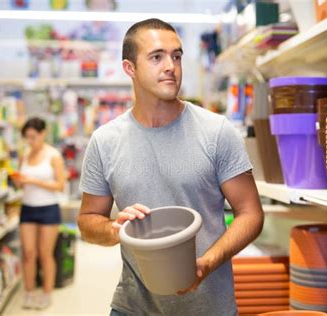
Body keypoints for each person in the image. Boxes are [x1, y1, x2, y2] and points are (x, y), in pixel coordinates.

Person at [78, 18, 264, 315]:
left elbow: (251, 213)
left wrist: (208, 261)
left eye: (176, 56)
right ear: (130, 68)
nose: (171, 66)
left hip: (208, 307)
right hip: (133, 307)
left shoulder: (216, 131)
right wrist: (114, 229)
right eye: (156, 57)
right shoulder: (105, 141)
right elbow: (87, 220)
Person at [13, 117, 66, 310]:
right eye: (27, 137)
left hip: (48, 208)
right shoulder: (24, 155)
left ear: (43, 134)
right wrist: (18, 180)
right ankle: (28, 292)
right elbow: (20, 182)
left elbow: (60, 185)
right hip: (28, 208)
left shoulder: (53, 156)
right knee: (28, 253)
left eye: (33, 136)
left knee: (45, 253)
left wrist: (33, 181)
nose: (30, 141)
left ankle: (46, 293)